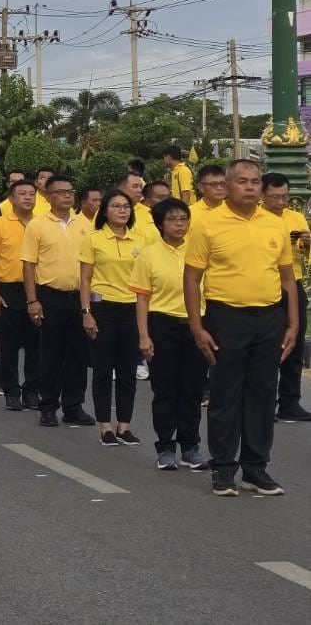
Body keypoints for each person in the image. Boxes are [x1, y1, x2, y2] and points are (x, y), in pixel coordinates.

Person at [185, 159, 299, 497]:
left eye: (255, 181)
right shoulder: (208, 224)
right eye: (242, 181)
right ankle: (223, 469)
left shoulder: (274, 224)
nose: (250, 187)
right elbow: (192, 278)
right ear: (227, 185)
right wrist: (196, 326)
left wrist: (292, 323)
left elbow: (288, 280)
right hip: (226, 318)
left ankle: (255, 468)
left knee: (263, 394)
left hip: (269, 318)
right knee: (226, 394)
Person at [131, 197, 208, 471]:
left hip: (196, 324)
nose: (179, 225)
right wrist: (143, 335)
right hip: (162, 325)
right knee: (165, 390)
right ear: (160, 224)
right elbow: (142, 299)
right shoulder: (148, 255)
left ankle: (190, 447)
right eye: (173, 220)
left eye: (184, 219)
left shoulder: (199, 251)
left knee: (192, 389)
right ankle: (166, 447)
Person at [22, 176, 94, 429]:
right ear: (49, 196)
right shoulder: (37, 225)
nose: (66, 196)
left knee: (78, 354)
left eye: (70, 192)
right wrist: (32, 300)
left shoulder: (84, 223)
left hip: (79, 296)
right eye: (60, 192)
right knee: (50, 354)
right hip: (50, 295)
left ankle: (74, 406)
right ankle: (48, 406)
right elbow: (28, 265)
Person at [80, 191, 143, 446]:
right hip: (103, 308)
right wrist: (86, 313)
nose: (122, 210)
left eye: (126, 206)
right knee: (103, 370)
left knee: (128, 371)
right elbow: (84, 279)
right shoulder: (94, 239)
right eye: (116, 206)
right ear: (104, 211)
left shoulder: (140, 241)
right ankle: (105, 426)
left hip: (132, 309)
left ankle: (124, 426)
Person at [261, 172, 311, 423]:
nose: (280, 202)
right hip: (265, 285)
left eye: (284, 197)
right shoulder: (256, 220)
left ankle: (290, 402)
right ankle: (263, 404)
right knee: (266, 344)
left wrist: (307, 242)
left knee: (296, 344)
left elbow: (305, 253)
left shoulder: (296, 217)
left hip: (294, 283)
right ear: (262, 195)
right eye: (274, 197)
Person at [0, 179, 39, 412]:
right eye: (22, 194)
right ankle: (11, 391)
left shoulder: (41, 223)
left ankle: (32, 391)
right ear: (12, 198)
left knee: (37, 345)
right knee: (7, 344)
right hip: (8, 289)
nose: (28, 197)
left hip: (37, 289)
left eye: (31, 194)